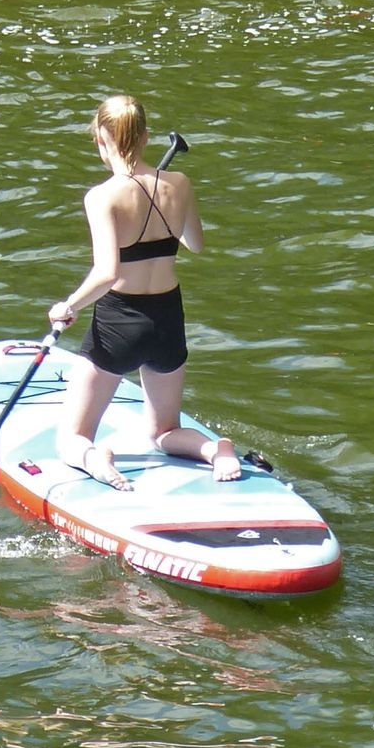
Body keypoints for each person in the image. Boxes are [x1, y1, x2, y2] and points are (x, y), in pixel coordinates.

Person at [46, 94, 242, 494]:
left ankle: (95, 457)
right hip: (169, 319)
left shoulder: (102, 196)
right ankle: (215, 449)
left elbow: (106, 273)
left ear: (101, 138)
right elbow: (196, 244)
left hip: (120, 323)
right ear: (147, 137)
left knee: (71, 437)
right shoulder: (179, 184)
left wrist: (68, 306)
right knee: (165, 431)